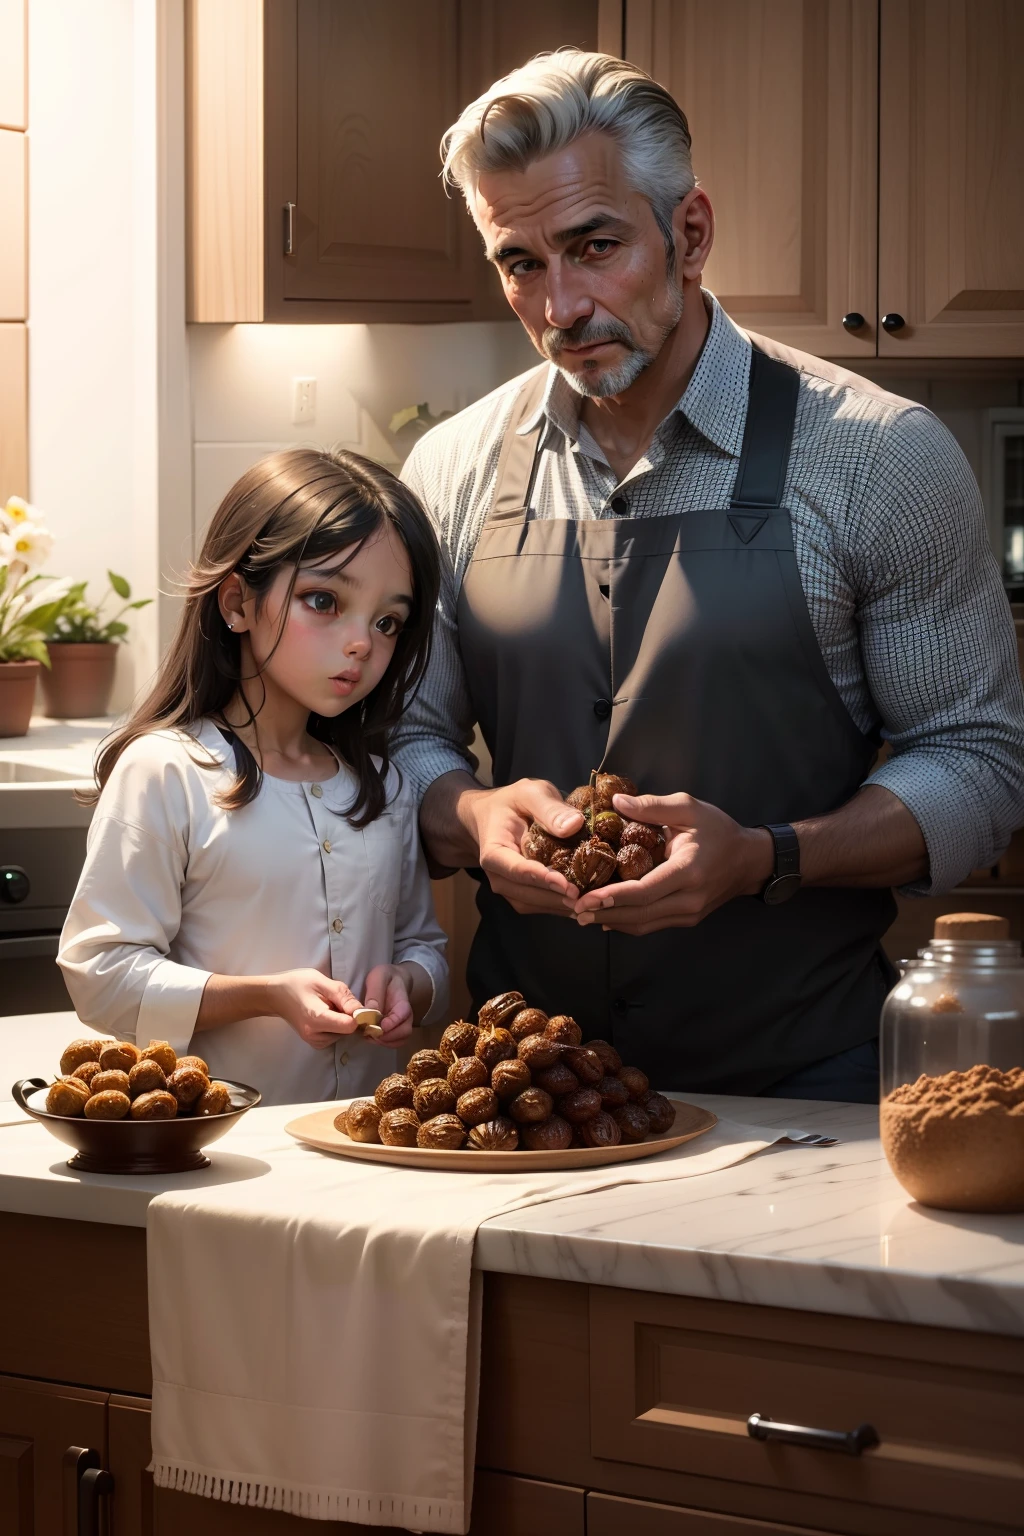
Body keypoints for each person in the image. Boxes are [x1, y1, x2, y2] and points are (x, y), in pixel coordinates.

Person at [393, 49, 1024, 1104]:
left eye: (595, 248)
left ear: (689, 234)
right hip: (520, 1090)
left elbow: (979, 762)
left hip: (803, 1083)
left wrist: (768, 856)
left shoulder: (878, 459)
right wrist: (471, 815)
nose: (560, 306)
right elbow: (405, 740)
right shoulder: (450, 470)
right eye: (520, 263)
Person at [58, 449, 449, 1106]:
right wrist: (265, 995)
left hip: (370, 1141)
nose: (362, 643)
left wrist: (409, 983)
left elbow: (424, 944)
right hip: (222, 1153)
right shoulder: (167, 772)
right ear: (237, 602)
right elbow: (100, 974)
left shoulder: (387, 787)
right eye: (324, 600)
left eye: (387, 621)